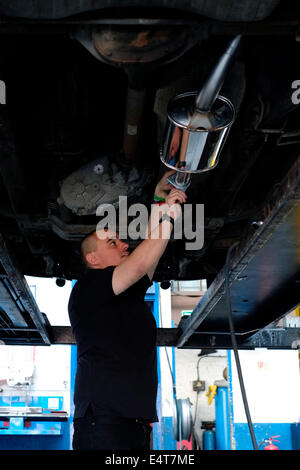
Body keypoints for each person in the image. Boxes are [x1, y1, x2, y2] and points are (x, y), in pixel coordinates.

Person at [68, 171, 186, 450]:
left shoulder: (124, 292)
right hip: (105, 425)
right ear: (92, 258)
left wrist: (159, 200)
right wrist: (169, 216)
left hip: (129, 424)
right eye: (112, 242)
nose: (124, 244)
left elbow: (149, 255)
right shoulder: (88, 287)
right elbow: (139, 263)